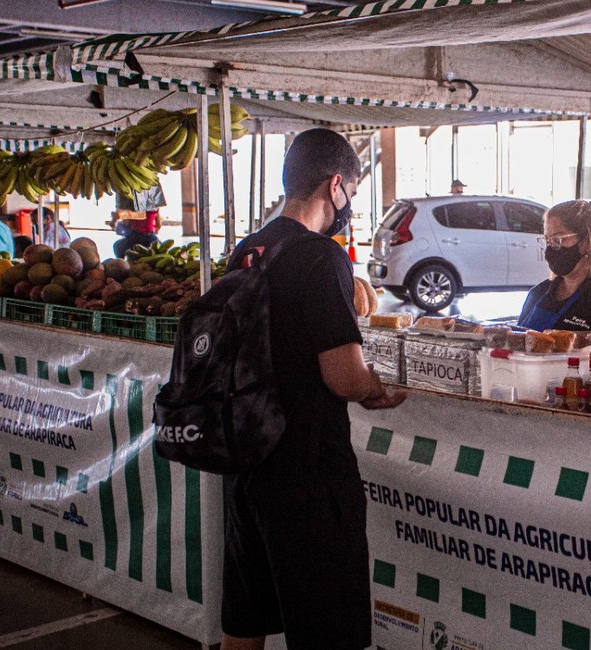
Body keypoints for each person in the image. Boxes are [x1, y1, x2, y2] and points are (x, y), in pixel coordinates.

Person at [220, 128, 406, 650]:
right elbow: (342, 375)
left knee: (246, 614)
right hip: (306, 471)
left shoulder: (248, 249)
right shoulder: (322, 257)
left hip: (247, 459)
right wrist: (376, 387)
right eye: (353, 188)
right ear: (336, 185)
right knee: (327, 630)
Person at [518, 199, 591, 338]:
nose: (550, 249)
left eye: (558, 240)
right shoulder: (538, 294)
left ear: (587, 242)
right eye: (547, 240)